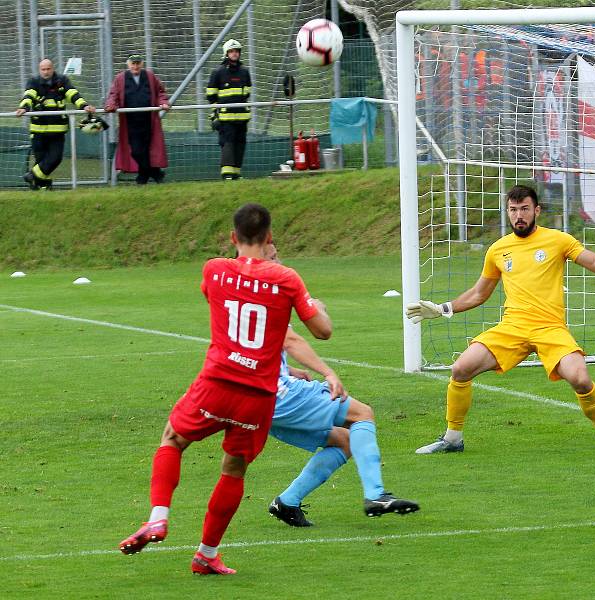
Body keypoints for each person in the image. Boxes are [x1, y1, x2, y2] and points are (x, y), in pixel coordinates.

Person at [119, 203, 332, 575]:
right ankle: (206, 554)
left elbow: (227, 303)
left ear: (233, 238)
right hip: (259, 395)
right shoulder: (288, 279)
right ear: (268, 238)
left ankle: (158, 517)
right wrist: (317, 306)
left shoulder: (214, 270)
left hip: (217, 382)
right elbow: (322, 330)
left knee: (172, 439)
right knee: (234, 468)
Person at [406, 185, 595, 454]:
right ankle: (452, 439)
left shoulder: (558, 240)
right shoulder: (498, 249)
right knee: (460, 369)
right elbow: (479, 293)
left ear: (536, 211)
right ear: (508, 212)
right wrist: (442, 308)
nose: (519, 215)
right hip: (512, 328)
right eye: (513, 210)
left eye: (525, 209)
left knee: (580, 378)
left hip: (550, 328)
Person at [262, 244, 419, 527]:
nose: (279, 261)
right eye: (272, 256)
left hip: (255, 402)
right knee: (362, 414)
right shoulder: (269, 290)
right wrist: (327, 369)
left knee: (345, 441)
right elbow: (304, 336)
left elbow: (260, 343)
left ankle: (287, 502)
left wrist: (288, 369)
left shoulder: (238, 291)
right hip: (282, 397)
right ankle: (376, 495)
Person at [16, 58, 95, 190]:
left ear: (53, 68)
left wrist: (84, 105)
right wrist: (24, 107)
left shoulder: (62, 81)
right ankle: (43, 187)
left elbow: (72, 94)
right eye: (43, 69)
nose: (46, 72)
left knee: (55, 158)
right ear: (39, 70)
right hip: (38, 131)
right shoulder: (33, 82)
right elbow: (29, 96)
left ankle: (31, 176)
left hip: (57, 130)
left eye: (48, 69)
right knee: (41, 161)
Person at [105, 52, 170, 184]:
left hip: (148, 120)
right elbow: (113, 95)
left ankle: (142, 177)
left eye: (138, 63)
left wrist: (163, 102)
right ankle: (156, 172)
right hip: (130, 122)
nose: (135, 66)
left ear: (142, 63)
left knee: (147, 149)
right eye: (133, 63)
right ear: (128, 64)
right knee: (136, 151)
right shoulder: (120, 78)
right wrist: (111, 105)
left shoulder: (150, 76)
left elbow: (160, 92)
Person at [206, 39, 252, 180]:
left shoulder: (245, 72)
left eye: (236, 51)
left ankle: (236, 174)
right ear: (226, 53)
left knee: (240, 145)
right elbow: (211, 96)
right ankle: (227, 175)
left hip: (242, 118)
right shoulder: (217, 72)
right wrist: (214, 116)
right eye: (231, 51)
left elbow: (247, 93)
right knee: (228, 144)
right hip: (225, 118)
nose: (234, 54)